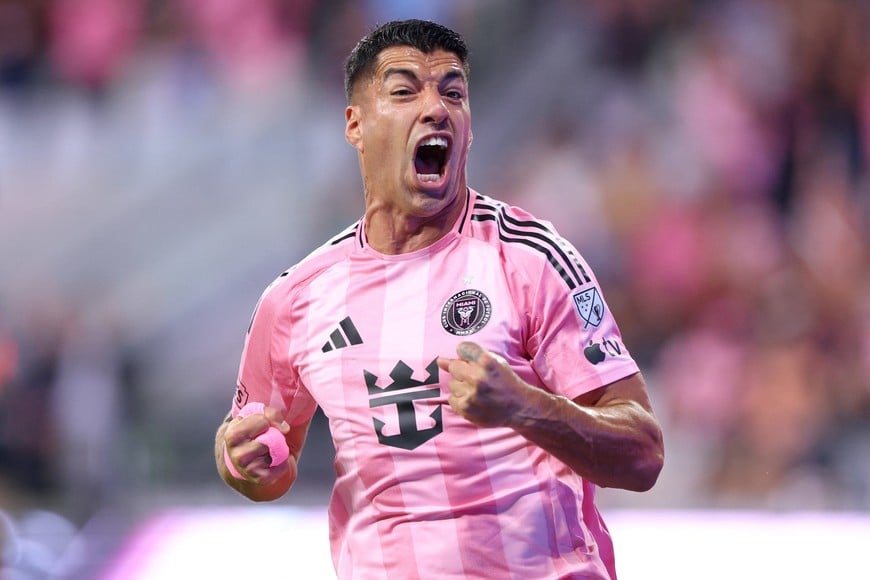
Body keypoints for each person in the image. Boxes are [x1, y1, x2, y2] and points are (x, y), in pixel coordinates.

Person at [215, 19, 664, 579]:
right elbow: (265, 465)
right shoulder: (297, 299)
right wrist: (240, 462)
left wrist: (525, 407)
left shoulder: (529, 258)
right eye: (405, 91)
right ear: (355, 125)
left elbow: (643, 454)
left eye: (453, 92)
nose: (437, 108)